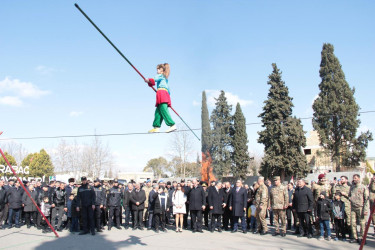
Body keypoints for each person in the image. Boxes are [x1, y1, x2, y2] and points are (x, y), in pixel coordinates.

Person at [145, 63, 176, 133]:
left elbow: (154, 79)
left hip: (162, 94)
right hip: (162, 94)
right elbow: (153, 83)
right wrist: (149, 82)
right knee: (158, 111)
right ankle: (156, 127)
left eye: (159, 69)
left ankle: (172, 125)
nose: (157, 70)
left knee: (163, 110)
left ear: (162, 70)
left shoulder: (161, 75)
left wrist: (148, 80)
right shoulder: (164, 78)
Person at [349, 174, 369, 244]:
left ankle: (363, 238)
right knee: (353, 223)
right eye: (354, 178)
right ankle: (355, 237)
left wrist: (365, 210)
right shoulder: (352, 187)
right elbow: (349, 196)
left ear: (359, 179)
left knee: (362, 224)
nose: (354, 179)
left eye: (356, 178)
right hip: (353, 208)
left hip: (361, 207)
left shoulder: (363, 187)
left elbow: (366, 199)